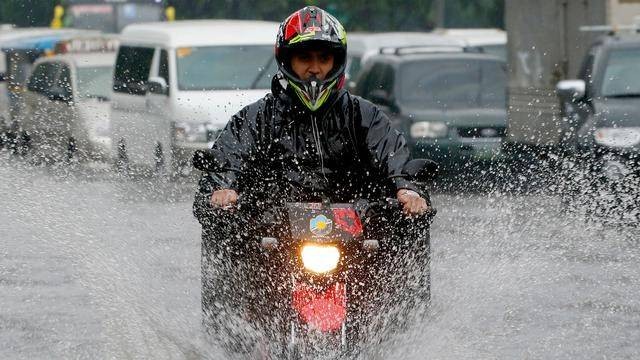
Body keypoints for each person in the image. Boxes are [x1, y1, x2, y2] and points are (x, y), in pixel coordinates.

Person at [193, 5, 433, 340]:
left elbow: (393, 156)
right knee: (230, 240)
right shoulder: (257, 117)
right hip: (274, 234)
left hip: (356, 233)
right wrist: (224, 189)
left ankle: (398, 333)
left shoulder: (364, 115)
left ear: (338, 61)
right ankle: (235, 337)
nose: (315, 69)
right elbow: (228, 158)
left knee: (405, 240)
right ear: (286, 61)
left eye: (324, 58)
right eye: (305, 58)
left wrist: (406, 189)